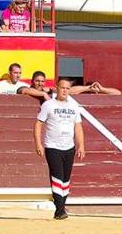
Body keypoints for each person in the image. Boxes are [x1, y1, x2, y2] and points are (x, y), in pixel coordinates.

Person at [33, 77, 85, 220]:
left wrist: (81, 145)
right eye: (62, 88)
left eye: (67, 88)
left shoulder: (73, 106)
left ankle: (61, 206)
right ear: (56, 88)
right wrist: (38, 143)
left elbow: (78, 127)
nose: (65, 91)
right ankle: (60, 209)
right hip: (52, 146)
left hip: (69, 146)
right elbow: (38, 124)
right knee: (57, 177)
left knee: (66, 178)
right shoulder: (48, 105)